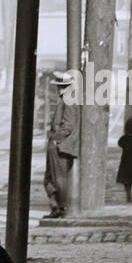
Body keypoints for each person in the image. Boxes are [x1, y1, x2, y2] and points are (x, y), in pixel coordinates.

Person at [44, 70, 79, 218]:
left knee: (59, 179)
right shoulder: (65, 101)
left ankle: (61, 207)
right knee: (49, 178)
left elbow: (68, 127)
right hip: (57, 146)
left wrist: (55, 139)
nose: (59, 89)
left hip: (60, 147)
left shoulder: (68, 102)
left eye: (60, 87)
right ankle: (56, 206)